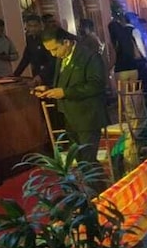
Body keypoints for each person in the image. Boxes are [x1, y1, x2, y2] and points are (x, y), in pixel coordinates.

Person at [33, 30, 108, 168]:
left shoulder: (89, 56)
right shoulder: (61, 57)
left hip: (88, 117)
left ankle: (98, 183)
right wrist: (49, 89)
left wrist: (64, 92)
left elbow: (96, 85)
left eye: (55, 49)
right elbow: (65, 83)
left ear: (66, 42)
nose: (53, 54)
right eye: (49, 51)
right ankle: (94, 182)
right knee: (80, 160)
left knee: (88, 160)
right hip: (69, 116)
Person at [14, 14, 56, 85]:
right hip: (36, 74)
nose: (32, 28)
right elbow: (26, 58)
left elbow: (53, 61)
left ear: (40, 26)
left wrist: (41, 76)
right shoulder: (30, 39)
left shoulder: (47, 38)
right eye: (30, 26)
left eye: (35, 26)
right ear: (26, 27)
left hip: (49, 75)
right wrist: (15, 75)